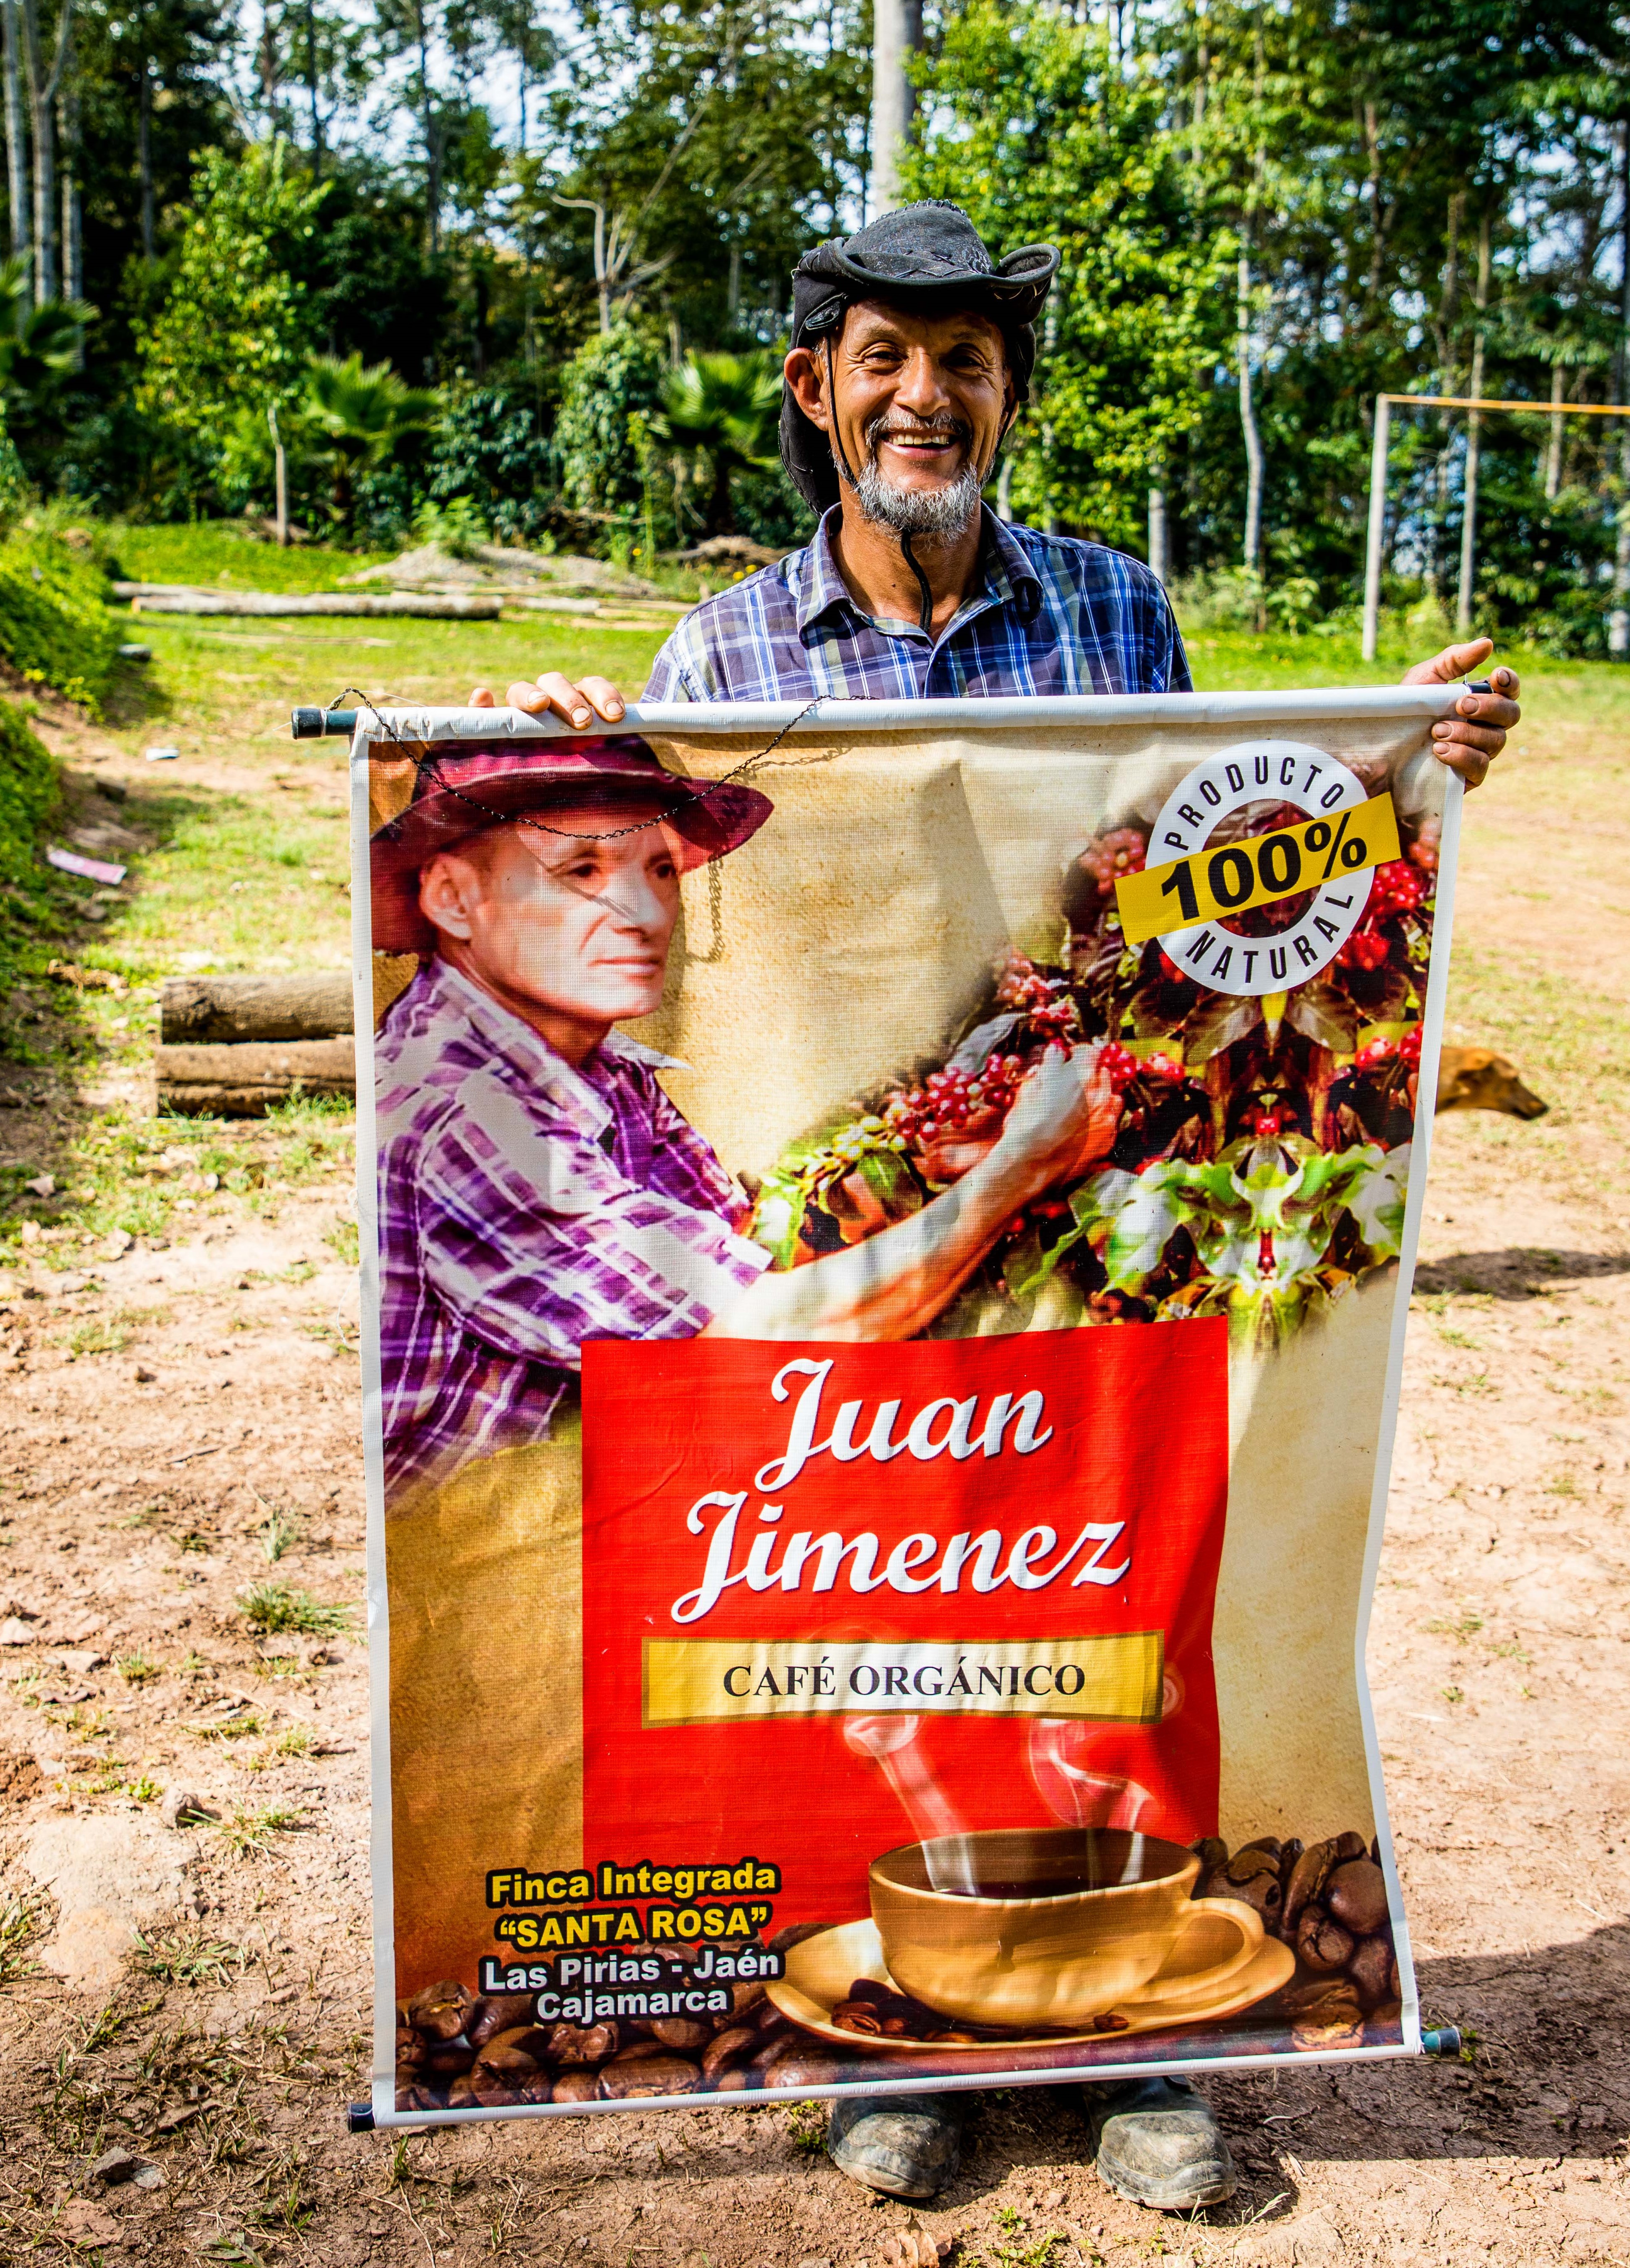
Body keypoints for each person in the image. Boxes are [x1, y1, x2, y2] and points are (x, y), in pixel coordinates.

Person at [465, 200, 1522, 2212]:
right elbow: (668, 967)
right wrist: (546, 776)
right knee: (879, 1652)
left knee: (1102, 1626)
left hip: (1096, 1235)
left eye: (961, 361)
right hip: (861, 1237)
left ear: (1008, 397)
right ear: (817, 391)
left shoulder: (1117, 618)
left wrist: (1413, 759)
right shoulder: (723, 654)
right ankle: (902, 2029)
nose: (922, 396)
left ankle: (1138, 2032)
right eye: (883, 358)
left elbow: (1222, 872)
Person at [372, 734, 1121, 1497]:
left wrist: (929, 1165)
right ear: (452, 899)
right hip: (515, 1574)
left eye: (660, 869)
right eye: (582, 870)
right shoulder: (469, 1113)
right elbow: (763, 1338)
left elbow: (736, 1251)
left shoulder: (588, 1063)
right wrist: (1018, 1171)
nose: (642, 913)